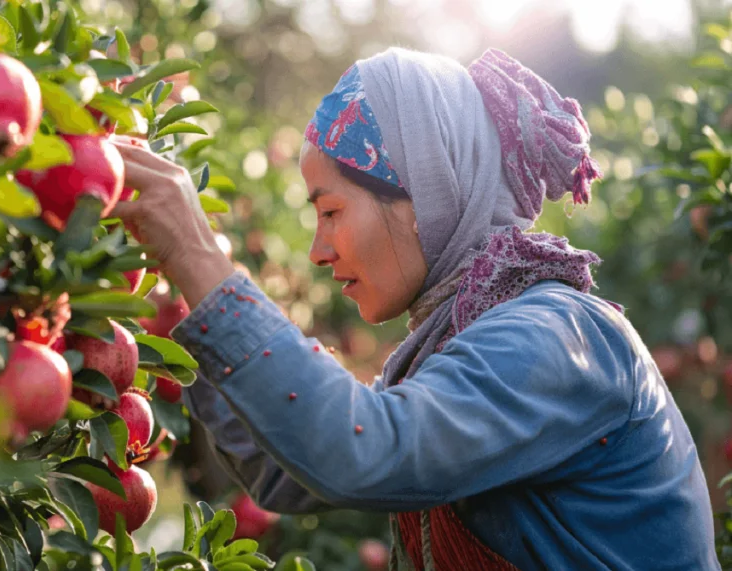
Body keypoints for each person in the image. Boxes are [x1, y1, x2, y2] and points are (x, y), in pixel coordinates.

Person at [111, 47, 719, 570]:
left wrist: (199, 253)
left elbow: (363, 451)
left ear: (424, 197)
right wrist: (185, 284)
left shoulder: (556, 337)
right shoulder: (461, 342)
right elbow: (284, 474)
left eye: (330, 212)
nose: (318, 250)